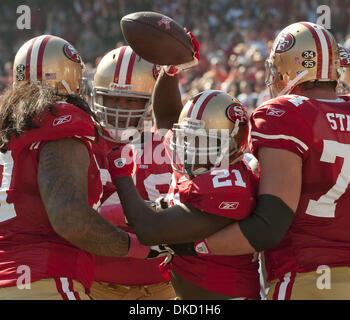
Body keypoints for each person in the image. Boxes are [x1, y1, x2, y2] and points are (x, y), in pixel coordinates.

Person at [169, 21, 350, 300]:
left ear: (287, 68)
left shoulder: (286, 113)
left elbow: (269, 224)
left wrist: (193, 245)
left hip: (309, 280)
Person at [0, 35, 163, 300]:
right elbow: (69, 217)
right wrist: (136, 247)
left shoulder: (10, 126)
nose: (120, 109)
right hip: (44, 274)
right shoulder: (61, 117)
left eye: (132, 101)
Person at [106, 62, 261, 299]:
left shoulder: (231, 184)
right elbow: (167, 116)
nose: (189, 147)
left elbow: (150, 230)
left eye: (200, 140)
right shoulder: (197, 160)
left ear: (232, 145)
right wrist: (170, 70)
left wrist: (121, 174)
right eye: (186, 137)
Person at [88, 46, 176, 300]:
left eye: (131, 100)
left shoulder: (169, 143)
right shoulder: (82, 142)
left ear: (150, 100)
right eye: (112, 99)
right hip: (97, 284)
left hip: (163, 285)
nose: (120, 109)